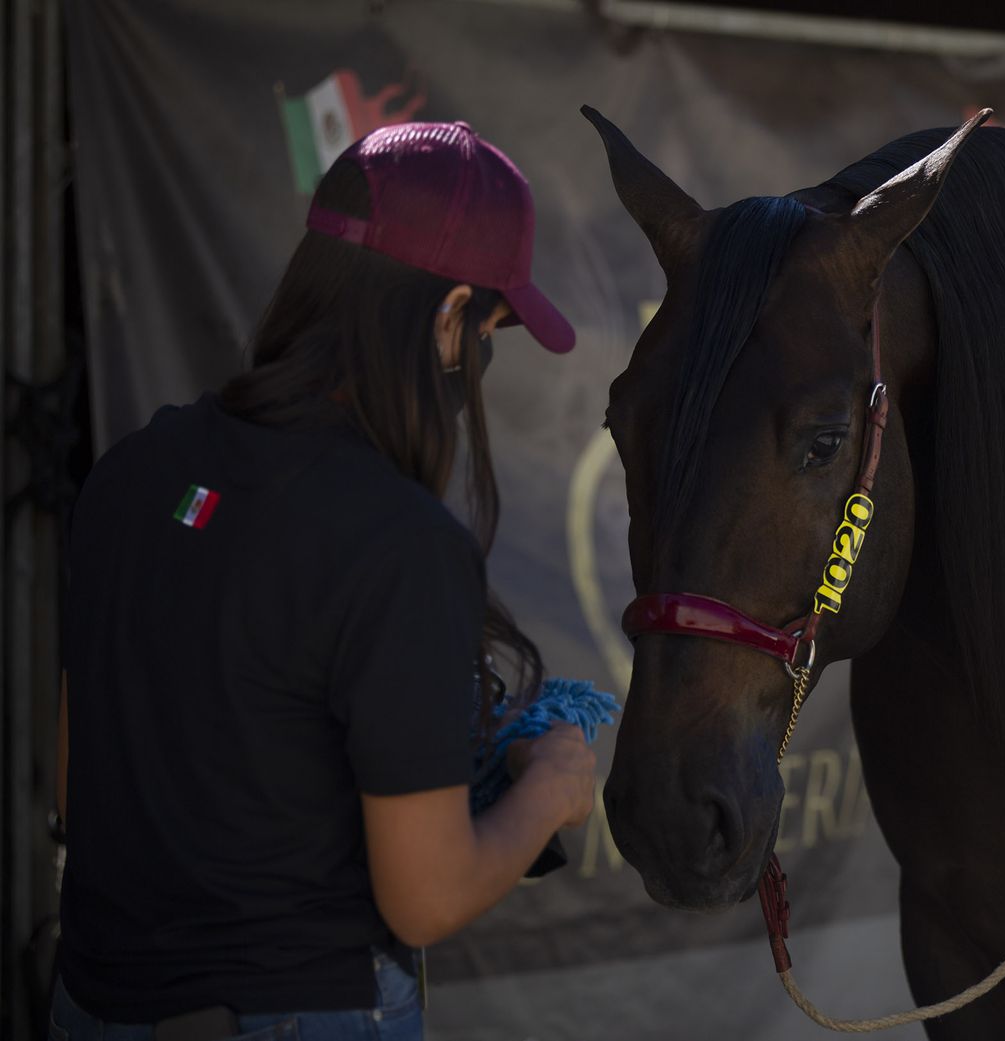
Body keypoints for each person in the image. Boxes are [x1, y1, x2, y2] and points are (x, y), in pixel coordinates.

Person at [51, 121, 597, 1040]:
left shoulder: (134, 468)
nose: (481, 367)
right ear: (448, 313)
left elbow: (79, 792)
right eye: (492, 330)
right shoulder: (400, 543)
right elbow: (425, 898)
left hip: (91, 1004)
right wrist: (550, 785)